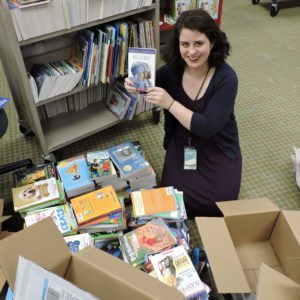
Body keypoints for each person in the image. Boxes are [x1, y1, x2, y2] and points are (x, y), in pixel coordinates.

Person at [125, 9, 242, 218]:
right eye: (185, 44)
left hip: (217, 148)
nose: (191, 52)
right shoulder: (171, 72)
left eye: (199, 43)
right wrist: (133, 85)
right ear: (177, 44)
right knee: (172, 198)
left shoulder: (226, 77)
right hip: (184, 143)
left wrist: (169, 103)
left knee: (219, 204)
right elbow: (146, 85)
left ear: (212, 42)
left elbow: (207, 127)